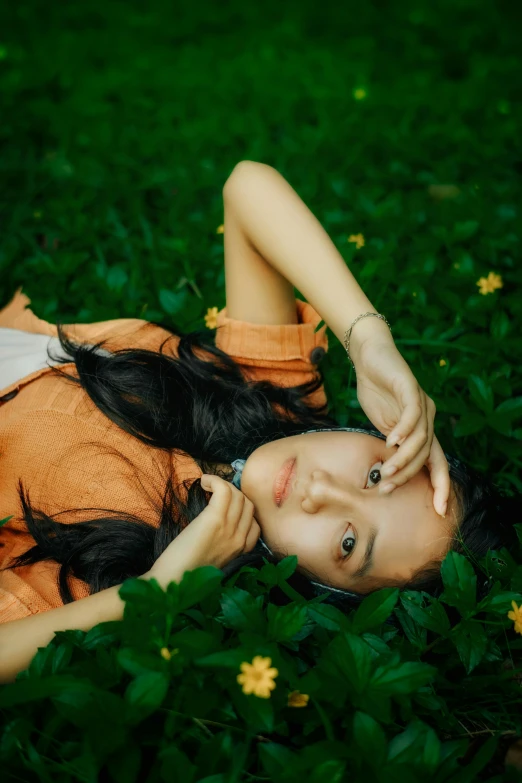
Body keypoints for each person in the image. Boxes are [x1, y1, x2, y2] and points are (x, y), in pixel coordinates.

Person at [0, 161, 518, 682]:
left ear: (324, 593)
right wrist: (368, 343)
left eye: (348, 542)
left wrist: (155, 592)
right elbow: (247, 188)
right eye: (377, 474)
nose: (320, 490)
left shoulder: (114, 566)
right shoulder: (274, 395)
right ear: (377, 434)